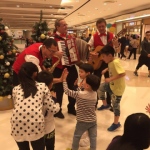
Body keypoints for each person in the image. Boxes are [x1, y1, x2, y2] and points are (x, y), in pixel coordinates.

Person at [10, 62, 60, 150]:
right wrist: (56, 102)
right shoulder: (42, 86)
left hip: (16, 125)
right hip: (35, 124)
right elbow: (52, 109)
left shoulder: (15, 89)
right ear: (35, 74)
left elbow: (17, 106)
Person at [62, 69, 100, 150]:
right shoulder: (95, 94)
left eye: (84, 81)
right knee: (93, 137)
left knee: (77, 136)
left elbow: (67, 91)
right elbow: (84, 93)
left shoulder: (79, 94)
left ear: (87, 86)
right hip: (93, 120)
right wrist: (77, 87)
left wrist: (64, 80)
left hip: (82, 121)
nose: (82, 81)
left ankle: (74, 148)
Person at [88, 18, 118, 111]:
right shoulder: (94, 36)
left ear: (105, 26)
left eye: (103, 26)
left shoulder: (112, 36)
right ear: (97, 27)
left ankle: (109, 104)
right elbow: (88, 46)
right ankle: (95, 103)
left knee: (110, 83)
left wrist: (116, 45)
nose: (101, 28)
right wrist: (92, 52)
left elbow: (116, 50)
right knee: (96, 83)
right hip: (98, 64)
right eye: (99, 26)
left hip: (109, 64)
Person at [52, 19, 78, 118]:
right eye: (63, 25)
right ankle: (58, 110)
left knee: (73, 87)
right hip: (59, 68)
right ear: (57, 27)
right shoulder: (53, 38)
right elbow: (46, 51)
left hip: (71, 67)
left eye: (66, 25)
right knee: (59, 90)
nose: (66, 27)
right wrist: (55, 53)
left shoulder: (70, 37)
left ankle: (71, 108)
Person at [98, 45, 126, 131]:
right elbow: (111, 65)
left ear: (110, 55)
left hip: (117, 88)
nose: (102, 59)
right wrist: (106, 69)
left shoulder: (115, 62)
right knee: (100, 88)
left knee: (115, 105)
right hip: (111, 84)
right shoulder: (111, 61)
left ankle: (116, 123)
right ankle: (106, 105)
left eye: (103, 56)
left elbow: (123, 74)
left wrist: (110, 79)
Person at [37, 71, 60, 150]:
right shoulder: (49, 97)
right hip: (49, 127)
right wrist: (55, 99)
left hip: (36, 128)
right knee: (50, 147)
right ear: (50, 85)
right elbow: (55, 109)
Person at [74, 63, 94, 147]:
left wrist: (78, 87)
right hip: (81, 106)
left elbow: (82, 93)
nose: (79, 73)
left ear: (88, 73)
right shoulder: (83, 81)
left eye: (81, 72)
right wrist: (76, 85)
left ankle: (87, 138)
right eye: (79, 71)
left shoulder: (90, 83)